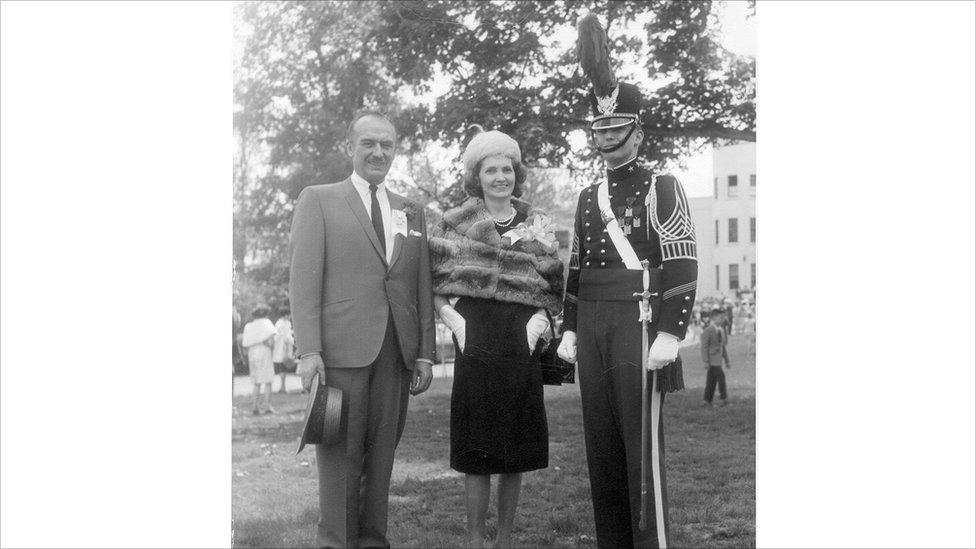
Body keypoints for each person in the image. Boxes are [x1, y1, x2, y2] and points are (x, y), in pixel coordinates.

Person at [557, 15, 699, 548]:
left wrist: (671, 330)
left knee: (642, 448)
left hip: (639, 321)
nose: (609, 140)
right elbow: (574, 265)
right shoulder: (587, 195)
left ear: (637, 131)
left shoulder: (664, 184)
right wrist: (569, 326)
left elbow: (682, 258)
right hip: (592, 321)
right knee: (602, 445)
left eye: (618, 130)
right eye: (601, 131)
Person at [288, 110, 435, 549]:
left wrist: (425, 351)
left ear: (395, 150)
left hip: (396, 355)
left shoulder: (411, 210)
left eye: (386, 144)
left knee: (382, 462)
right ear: (349, 148)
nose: (377, 152)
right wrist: (308, 350)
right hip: (339, 356)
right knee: (339, 461)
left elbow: (419, 283)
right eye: (368, 143)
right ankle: (336, 542)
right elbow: (303, 280)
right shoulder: (318, 199)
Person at [428, 130, 564, 549]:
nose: (501, 177)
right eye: (491, 169)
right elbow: (433, 283)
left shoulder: (536, 222)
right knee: (477, 448)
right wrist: (456, 323)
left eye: (507, 169)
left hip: (521, 337)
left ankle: (504, 539)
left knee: (515, 447)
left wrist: (538, 323)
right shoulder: (455, 222)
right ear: (477, 175)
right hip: (477, 334)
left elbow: (553, 280)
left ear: (516, 174)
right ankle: (474, 540)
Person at [241, 305, 277, 414]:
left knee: (256, 381)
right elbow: (271, 342)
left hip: (252, 353)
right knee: (267, 380)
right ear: (266, 313)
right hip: (264, 351)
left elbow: (245, 344)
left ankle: (255, 407)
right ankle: (267, 406)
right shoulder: (267, 323)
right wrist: (271, 347)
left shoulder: (248, 326)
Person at [700, 307, 731, 406]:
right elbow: (704, 347)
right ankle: (724, 399)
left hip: (718, 361)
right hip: (712, 361)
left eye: (723, 318)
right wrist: (705, 361)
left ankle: (707, 400)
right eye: (720, 318)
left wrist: (727, 360)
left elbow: (723, 346)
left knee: (711, 381)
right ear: (713, 318)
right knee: (721, 377)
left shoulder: (721, 330)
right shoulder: (708, 330)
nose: (722, 320)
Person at [272, 307, 295, 393]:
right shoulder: (280, 323)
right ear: (285, 315)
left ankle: (283, 386)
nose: (290, 316)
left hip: (285, 347)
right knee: (283, 367)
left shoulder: (286, 323)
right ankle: (283, 386)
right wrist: (287, 343)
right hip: (282, 347)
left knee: (283, 367)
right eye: (288, 315)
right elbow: (281, 336)